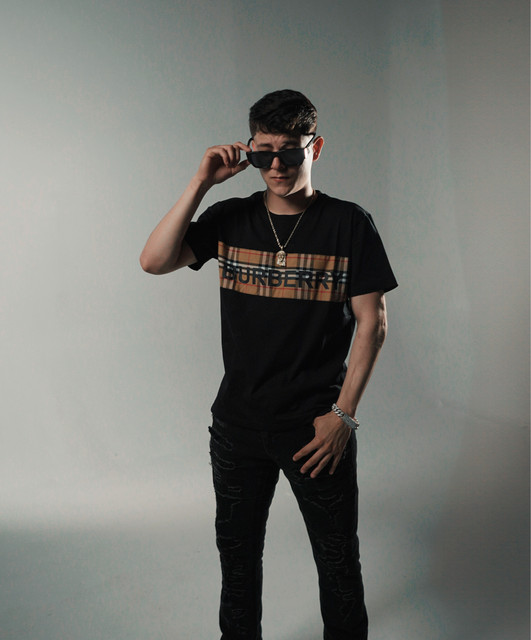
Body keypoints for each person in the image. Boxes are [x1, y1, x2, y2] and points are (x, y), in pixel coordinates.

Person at [140, 89, 398, 640]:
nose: (276, 165)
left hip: (315, 430)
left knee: (337, 564)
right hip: (237, 428)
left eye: (289, 151)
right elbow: (154, 261)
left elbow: (373, 323)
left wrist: (343, 416)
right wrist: (201, 183)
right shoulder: (230, 217)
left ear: (315, 147)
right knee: (237, 564)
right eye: (262, 153)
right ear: (249, 150)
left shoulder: (349, 223)